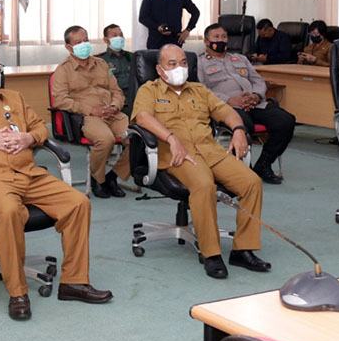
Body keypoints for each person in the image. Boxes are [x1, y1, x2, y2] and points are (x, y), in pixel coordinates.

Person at [0, 46, 113, 320]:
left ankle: (74, 283)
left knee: (78, 203)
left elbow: (39, 127)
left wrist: (29, 138)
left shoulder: (13, 98)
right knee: (10, 212)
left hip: (29, 173)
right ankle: (18, 293)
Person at [132, 44, 271, 279]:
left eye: (183, 63)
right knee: (204, 185)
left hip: (210, 150)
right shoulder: (149, 90)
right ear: (159, 69)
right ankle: (211, 254)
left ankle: (243, 250)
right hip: (179, 155)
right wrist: (171, 139)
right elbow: (142, 118)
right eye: (172, 64)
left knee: (252, 183)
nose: (179, 68)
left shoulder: (199, 90)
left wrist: (238, 129)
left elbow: (226, 112)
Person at [199, 23, 296, 184]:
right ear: (206, 41)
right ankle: (241, 169)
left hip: (253, 104)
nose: (221, 40)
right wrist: (228, 99)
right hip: (227, 107)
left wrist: (256, 96)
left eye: (224, 37)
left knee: (286, 121)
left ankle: (264, 164)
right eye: (216, 37)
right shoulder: (200, 63)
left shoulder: (240, 58)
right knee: (244, 125)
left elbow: (258, 81)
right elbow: (201, 90)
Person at [52, 25, 131, 199]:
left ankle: (113, 176)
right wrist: (91, 110)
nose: (84, 45)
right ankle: (98, 179)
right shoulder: (63, 70)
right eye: (78, 42)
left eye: (86, 40)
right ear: (68, 47)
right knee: (106, 140)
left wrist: (115, 106)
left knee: (137, 138)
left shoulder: (101, 64)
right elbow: (61, 100)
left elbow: (117, 91)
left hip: (112, 113)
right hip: (88, 116)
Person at [96, 23, 134, 116]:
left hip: (134, 99)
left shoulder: (132, 57)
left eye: (121, 35)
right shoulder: (100, 60)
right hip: (114, 101)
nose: (119, 38)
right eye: (115, 35)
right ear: (106, 40)